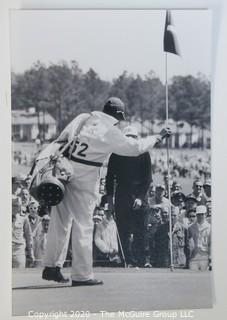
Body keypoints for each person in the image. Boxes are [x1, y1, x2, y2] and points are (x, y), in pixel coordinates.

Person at [37, 97, 171, 286]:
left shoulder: (83, 118)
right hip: (86, 176)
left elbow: (62, 139)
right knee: (83, 224)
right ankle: (82, 275)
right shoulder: (110, 130)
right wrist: (157, 137)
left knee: (60, 221)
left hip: (64, 170)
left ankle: (51, 266)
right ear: (118, 115)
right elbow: (135, 148)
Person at [105, 125, 152, 267]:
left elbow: (147, 178)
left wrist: (140, 197)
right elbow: (109, 178)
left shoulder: (144, 153)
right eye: (128, 137)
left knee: (141, 230)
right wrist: (110, 201)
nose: (131, 140)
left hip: (139, 194)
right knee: (123, 229)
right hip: (122, 194)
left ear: (137, 139)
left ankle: (142, 260)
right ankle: (126, 260)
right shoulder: (116, 154)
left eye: (133, 137)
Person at [12, 196, 34, 268]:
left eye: (17, 206)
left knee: (20, 274)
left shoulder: (24, 219)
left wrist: (31, 254)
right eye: (13, 205)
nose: (15, 208)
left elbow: (29, 237)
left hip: (19, 251)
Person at [187, 205, 211, 271]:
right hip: (193, 256)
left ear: (205, 214)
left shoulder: (210, 227)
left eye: (202, 214)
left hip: (205, 255)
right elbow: (188, 243)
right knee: (193, 277)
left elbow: (211, 244)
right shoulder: (190, 227)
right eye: (198, 214)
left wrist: (211, 257)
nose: (200, 216)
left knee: (204, 277)